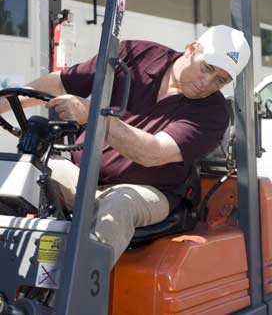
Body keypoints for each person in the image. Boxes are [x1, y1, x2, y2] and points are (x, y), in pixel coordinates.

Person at [0, 25, 250, 267]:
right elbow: (61, 83)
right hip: (84, 175)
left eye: (220, 80)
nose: (207, 83)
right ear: (192, 48)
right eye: (206, 68)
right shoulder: (137, 56)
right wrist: (4, 103)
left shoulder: (213, 113)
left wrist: (94, 116)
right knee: (21, 172)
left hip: (151, 192)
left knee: (119, 204)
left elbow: (152, 153)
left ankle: (70, 298)